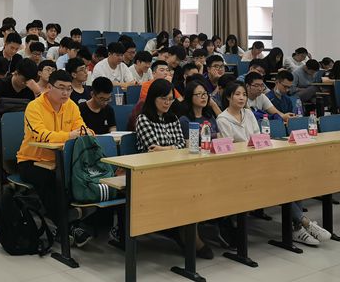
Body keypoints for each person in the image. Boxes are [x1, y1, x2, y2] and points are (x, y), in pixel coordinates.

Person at [217, 81, 330, 247]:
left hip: (259, 162)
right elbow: (231, 146)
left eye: (244, 95)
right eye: (237, 94)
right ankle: (304, 223)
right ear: (228, 97)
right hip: (240, 167)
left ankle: (298, 228)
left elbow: (258, 136)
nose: (242, 98)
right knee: (278, 183)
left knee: (291, 178)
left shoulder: (248, 114)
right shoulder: (223, 119)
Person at [135, 79, 216, 260]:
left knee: (198, 186)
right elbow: (152, 148)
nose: (167, 103)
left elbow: (182, 145)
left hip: (175, 169)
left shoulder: (173, 118)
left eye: (170, 99)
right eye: (163, 99)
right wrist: (172, 148)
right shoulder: (144, 119)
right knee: (189, 190)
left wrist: (167, 148)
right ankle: (188, 235)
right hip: (151, 172)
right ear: (153, 98)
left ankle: (187, 231)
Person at [17, 69, 93, 246]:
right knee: (52, 180)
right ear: (49, 87)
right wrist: (69, 136)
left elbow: (83, 129)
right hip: (31, 161)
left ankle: (73, 222)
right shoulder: (34, 107)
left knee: (79, 177)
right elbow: (40, 135)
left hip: (61, 161)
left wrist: (84, 133)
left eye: (69, 88)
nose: (65, 93)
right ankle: (67, 226)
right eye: (61, 88)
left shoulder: (71, 106)